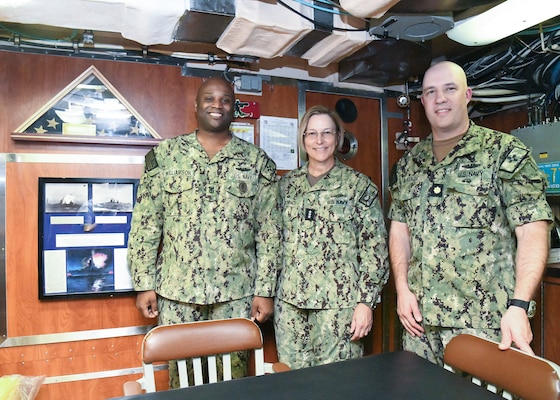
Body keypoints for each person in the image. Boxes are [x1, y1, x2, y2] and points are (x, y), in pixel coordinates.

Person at [388, 61, 553, 365]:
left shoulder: (503, 152)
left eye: (450, 89)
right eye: (430, 92)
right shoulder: (409, 165)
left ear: (467, 95)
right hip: (419, 323)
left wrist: (518, 305)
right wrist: (402, 290)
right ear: (422, 100)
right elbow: (400, 230)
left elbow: (532, 230)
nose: (440, 98)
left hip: (485, 322)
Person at [127, 76, 282, 385]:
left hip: (236, 294)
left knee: (233, 381)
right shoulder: (166, 155)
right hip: (177, 294)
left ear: (234, 109)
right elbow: (146, 223)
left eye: (225, 100)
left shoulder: (256, 162)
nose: (217, 105)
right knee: (182, 381)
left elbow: (270, 232)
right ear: (196, 105)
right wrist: (144, 283)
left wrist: (265, 291)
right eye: (209, 98)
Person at [274, 105, 389, 370]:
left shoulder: (358, 187)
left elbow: (376, 251)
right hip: (290, 308)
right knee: (292, 386)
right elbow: (272, 243)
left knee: (338, 386)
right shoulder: (285, 187)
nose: (319, 140)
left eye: (327, 133)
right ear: (302, 139)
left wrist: (366, 303)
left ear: (338, 138)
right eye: (312, 133)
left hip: (339, 308)